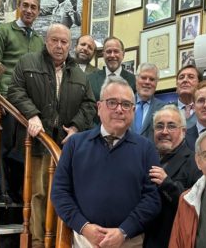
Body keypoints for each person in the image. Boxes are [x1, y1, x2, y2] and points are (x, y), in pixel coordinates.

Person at [7, 23, 96, 248]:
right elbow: (14, 90)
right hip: (39, 144)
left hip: (66, 148)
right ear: (46, 41)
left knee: (63, 196)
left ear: (70, 45)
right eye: (54, 40)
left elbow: (89, 105)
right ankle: (38, 243)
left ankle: (58, 241)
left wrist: (76, 127)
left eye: (64, 42)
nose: (59, 45)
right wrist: (32, 115)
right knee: (37, 194)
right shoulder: (28, 62)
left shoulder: (78, 73)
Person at [51, 77, 161, 248]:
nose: (119, 109)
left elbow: (152, 199)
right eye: (112, 102)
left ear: (133, 110)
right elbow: (60, 192)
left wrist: (123, 231)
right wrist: (84, 227)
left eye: (125, 105)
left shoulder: (146, 148)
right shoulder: (75, 144)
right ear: (99, 107)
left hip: (129, 241)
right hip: (84, 240)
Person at [0, 0, 44, 203]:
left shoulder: (40, 40)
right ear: (19, 7)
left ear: (38, 11)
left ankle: (16, 195)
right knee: (4, 148)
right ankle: (2, 193)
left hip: (28, 104)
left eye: (33, 7)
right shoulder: (3, 31)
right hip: (6, 99)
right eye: (25, 5)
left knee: (23, 150)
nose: (29, 10)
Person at [144, 105, 202, 248]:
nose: (164, 132)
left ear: (183, 131)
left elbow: (196, 207)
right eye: (159, 126)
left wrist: (167, 183)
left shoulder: (196, 163)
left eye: (171, 126)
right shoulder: (145, 159)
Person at [88, 36, 136, 101]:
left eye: (116, 51)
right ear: (103, 54)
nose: (112, 55)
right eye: (108, 52)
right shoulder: (90, 80)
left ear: (123, 54)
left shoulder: (134, 81)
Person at [131, 63, 165, 141]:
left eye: (152, 79)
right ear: (136, 79)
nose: (147, 82)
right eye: (143, 78)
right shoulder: (123, 104)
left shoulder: (163, 109)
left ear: (156, 83)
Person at [174, 64, 201, 129]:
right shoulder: (166, 110)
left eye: (191, 77)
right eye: (181, 77)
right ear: (177, 86)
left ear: (199, 84)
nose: (185, 80)